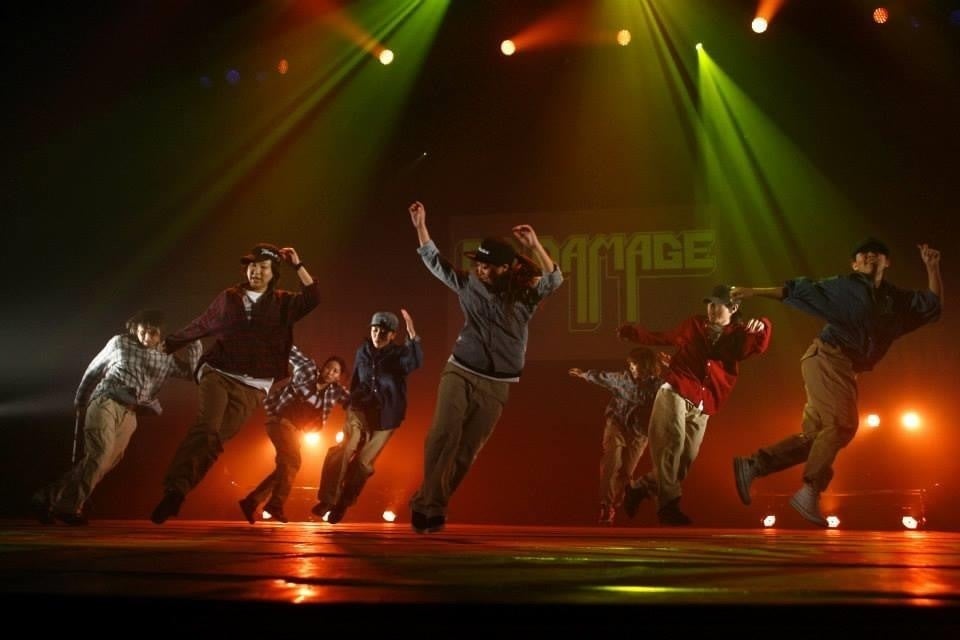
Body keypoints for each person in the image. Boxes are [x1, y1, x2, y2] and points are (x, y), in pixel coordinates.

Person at [731, 240, 942, 527]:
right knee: (843, 424)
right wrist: (753, 291)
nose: (869, 255)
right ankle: (810, 490)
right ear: (855, 264)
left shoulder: (894, 300)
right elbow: (797, 290)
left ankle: (753, 465)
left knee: (817, 438)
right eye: (862, 254)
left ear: (887, 262)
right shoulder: (844, 286)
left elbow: (932, 306)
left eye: (877, 253)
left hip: (840, 366)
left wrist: (932, 268)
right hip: (828, 357)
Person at [406, 200, 564, 534]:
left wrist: (535, 245)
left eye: (488, 267)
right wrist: (421, 225)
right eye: (478, 265)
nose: (481, 270)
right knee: (443, 434)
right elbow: (434, 261)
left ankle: (429, 501)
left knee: (466, 451)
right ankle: (431, 507)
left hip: (498, 382)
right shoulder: (468, 284)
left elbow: (554, 279)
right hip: (461, 369)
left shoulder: (524, 294)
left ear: (506, 268)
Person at [150, 243, 319, 524]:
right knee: (207, 427)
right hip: (218, 372)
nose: (256, 271)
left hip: (253, 385)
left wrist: (297, 265)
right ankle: (174, 491)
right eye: (252, 266)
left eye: (263, 267)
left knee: (216, 441)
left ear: (273, 273)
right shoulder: (230, 297)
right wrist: (169, 344)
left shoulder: (284, 303)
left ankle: (179, 491)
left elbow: (313, 297)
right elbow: (203, 323)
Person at [617, 284, 771, 525]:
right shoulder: (694, 325)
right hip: (676, 390)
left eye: (717, 305)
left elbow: (756, 346)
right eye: (709, 304)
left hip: (704, 404)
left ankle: (639, 488)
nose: (711, 309)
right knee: (671, 443)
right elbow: (663, 337)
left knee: (683, 461)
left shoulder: (739, 334)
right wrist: (635, 333)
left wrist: (763, 324)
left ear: (733, 308)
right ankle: (668, 506)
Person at [31, 309, 201, 525]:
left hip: (131, 413)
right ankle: (68, 508)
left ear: (161, 334)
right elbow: (94, 369)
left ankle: (46, 498)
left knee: (104, 463)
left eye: (153, 333)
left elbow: (192, 374)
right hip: (106, 402)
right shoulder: (120, 343)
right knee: (99, 454)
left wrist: (194, 345)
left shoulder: (166, 356)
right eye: (143, 331)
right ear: (135, 328)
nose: (146, 337)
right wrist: (81, 399)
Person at [310, 309, 422, 524]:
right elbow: (357, 379)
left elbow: (415, 362)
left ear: (392, 335)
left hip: (385, 417)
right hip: (360, 409)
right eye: (375, 330)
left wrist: (412, 336)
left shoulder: (400, 355)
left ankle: (343, 503)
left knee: (362, 463)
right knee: (343, 450)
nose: (378, 335)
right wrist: (350, 401)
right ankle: (328, 499)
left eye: (383, 332)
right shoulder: (362, 350)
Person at [238, 348, 349, 524]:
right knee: (293, 462)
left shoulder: (334, 391)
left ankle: (251, 501)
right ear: (323, 367)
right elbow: (290, 350)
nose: (330, 372)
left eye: (335, 371)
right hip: (279, 422)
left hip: (295, 431)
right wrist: (276, 339)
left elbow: (353, 400)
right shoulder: (308, 369)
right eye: (328, 367)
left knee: (285, 468)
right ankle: (275, 505)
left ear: (339, 377)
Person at [568, 347, 664, 525]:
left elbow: (676, 393)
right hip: (617, 424)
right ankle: (606, 505)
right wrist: (584, 375)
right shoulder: (623, 379)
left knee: (626, 472)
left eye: (635, 365)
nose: (632, 368)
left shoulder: (658, 386)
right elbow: (604, 377)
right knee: (612, 461)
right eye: (631, 365)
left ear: (645, 365)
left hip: (639, 432)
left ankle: (619, 497)